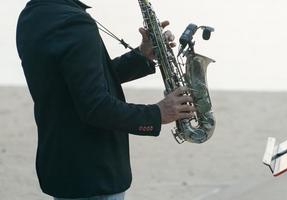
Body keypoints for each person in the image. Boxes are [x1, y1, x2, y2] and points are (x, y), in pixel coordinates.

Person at [16, 0, 195, 199]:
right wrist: (157, 113)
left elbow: (79, 80)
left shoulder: (32, 14)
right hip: (94, 175)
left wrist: (141, 56)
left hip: (64, 167)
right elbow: (95, 107)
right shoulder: (75, 23)